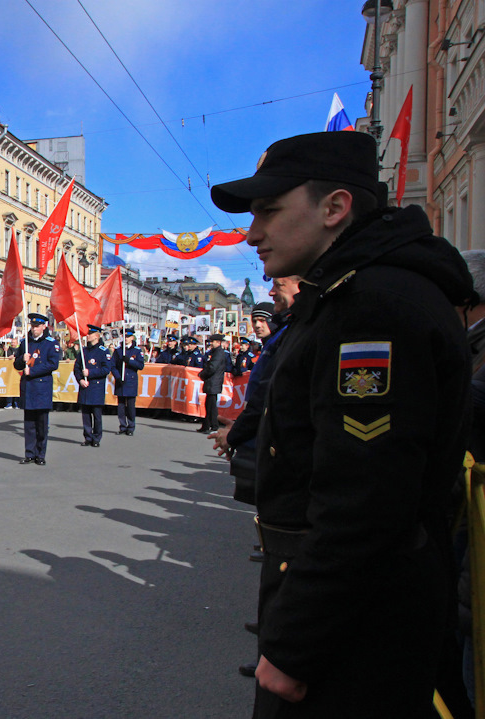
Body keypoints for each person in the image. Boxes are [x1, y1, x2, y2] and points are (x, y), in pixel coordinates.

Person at [211, 130, 475, 717]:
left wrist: (295, 644)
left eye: (270, 212)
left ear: (335, 208)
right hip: (355, 608)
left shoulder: (373, 307)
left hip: (356, 626)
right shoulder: (352, 294)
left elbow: (364, 504)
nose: (252, 234)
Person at [12, 313, 61, 465]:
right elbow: (16, 364)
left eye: (37, 326)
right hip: (28, 388)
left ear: (44, 326)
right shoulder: (25, 342)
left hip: (41, 387)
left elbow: (53, 364)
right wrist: (22, 359)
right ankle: (29, 453)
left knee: (41, 424)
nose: (34, 329)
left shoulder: (51, 343)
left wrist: (32, 371)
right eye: (32, 326)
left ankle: (40, 454)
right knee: (29, 424)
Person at [73, 325, 112, 447]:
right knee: (85, 415)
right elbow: (77, 368)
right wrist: (80, 379)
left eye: (90, 334)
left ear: (96, 336)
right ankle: (88, 437)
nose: (87, 336)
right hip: (85, 387)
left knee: (96, 415)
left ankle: (96, 438)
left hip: (96, 387)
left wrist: (91, 373)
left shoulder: (103, 351)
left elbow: (106, 369)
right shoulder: (83, 351)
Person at [111, 328, 145, 436]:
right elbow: (112, 365)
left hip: (130, 381)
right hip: (120, 380)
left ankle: (131, 426)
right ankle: (122, 426)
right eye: (124, 337)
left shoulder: (137, 350)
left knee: (130, 405)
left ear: (132, 338)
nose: (126, 339)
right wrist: (117, 377)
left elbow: (140, 365)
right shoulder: (118, 350)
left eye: (128, 337)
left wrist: (129, 361)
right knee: (121, 406)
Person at [198, 333, 226, 433]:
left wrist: (202, 374)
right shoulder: (214, 352)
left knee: (212, 406)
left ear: (218, 342)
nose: (211, 343)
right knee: (208, 405)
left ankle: (214, 426)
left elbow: (212, 367)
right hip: (211, 382)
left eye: (212, 342)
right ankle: (206, 425)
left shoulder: (219, 353)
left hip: (213, 381)